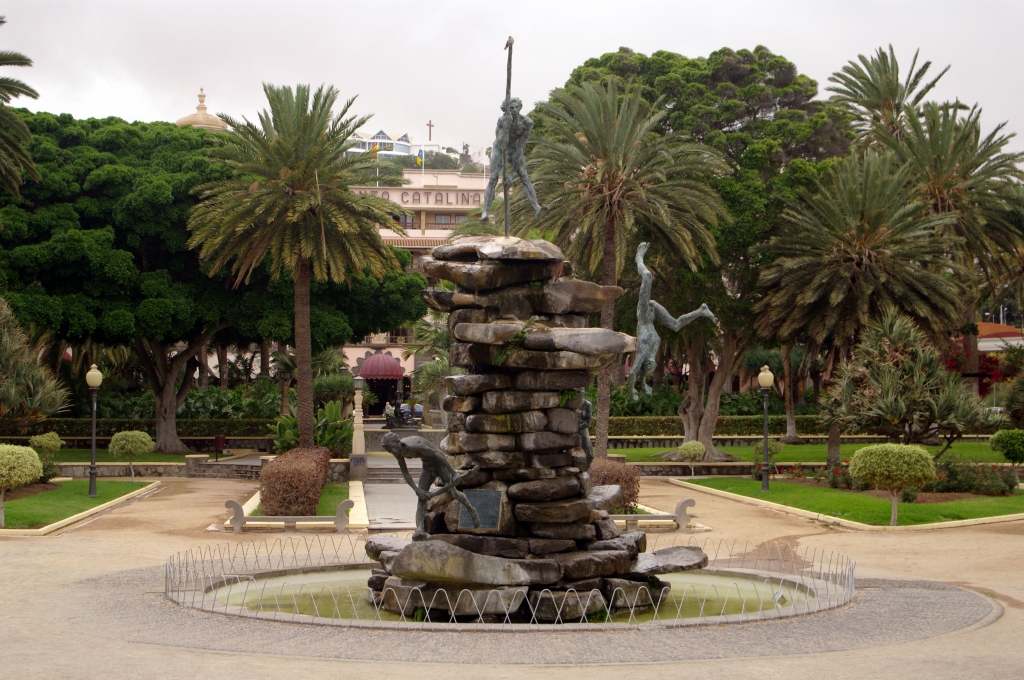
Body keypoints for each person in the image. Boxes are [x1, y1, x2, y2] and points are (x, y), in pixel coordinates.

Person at [628, 242, 718, 399]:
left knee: (647, 276)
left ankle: (639, 258)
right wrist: (643, 384)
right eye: (653, 366)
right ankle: (701, 311)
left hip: (643, 313)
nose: (653, 363)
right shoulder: (652, 349)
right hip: (651, 316)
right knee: (676, 325)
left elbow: (632, 372)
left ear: (645, 365)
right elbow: (642, 371)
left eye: (650, 366)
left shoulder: (643, 351)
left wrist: (632, 389)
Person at [381, 432, 481, 537]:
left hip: (440, 464)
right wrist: (416, 489)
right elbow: (405, 472)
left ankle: (471, 509)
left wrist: (453, 473)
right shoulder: (397, 451)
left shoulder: (413, 445)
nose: (393, 451)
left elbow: (438, 454)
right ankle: (420, 528)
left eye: (393, 447)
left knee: (453, 493)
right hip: (428, 467)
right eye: (390, 450)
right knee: (421, 497)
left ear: (397, 442)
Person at [481, 97, 543, 221]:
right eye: (511, 108)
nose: (514, 110)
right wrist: (506, 126)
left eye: (516, 107)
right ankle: (485, 212)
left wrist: (511, 176)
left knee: (524, 176)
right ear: (506, 109)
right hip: (500, 149)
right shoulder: (501, 120)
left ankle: (537, 207)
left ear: (520, 107)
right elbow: (501, 142)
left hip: (514, 150)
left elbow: (521, 148)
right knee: (493, 178)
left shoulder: (527, 123)